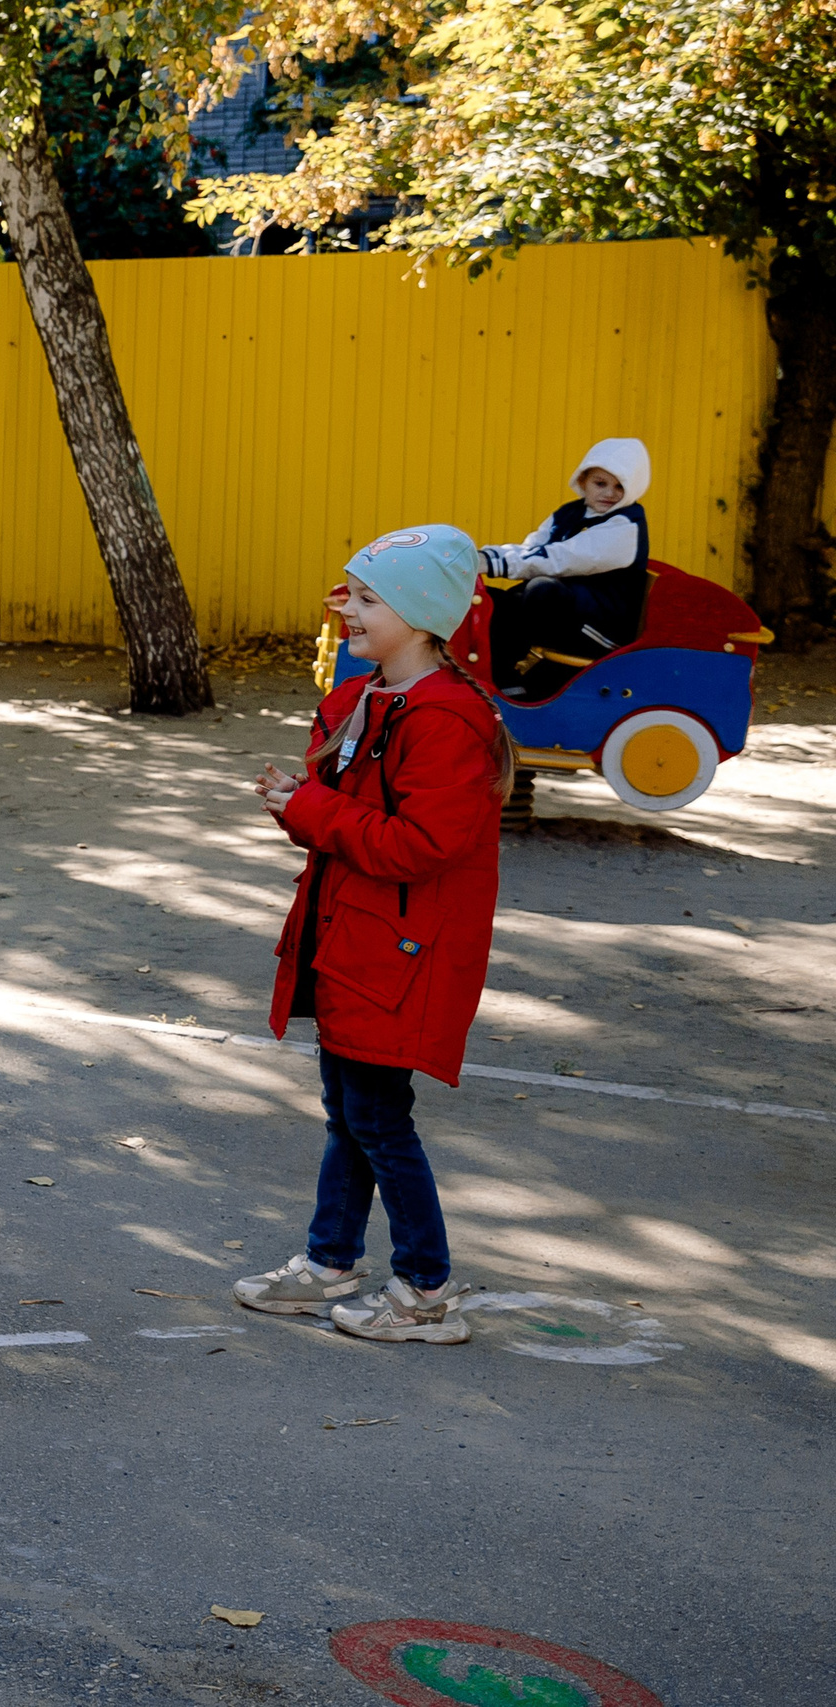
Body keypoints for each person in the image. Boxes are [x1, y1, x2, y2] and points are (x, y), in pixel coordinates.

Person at [243, 526, 513, 1345]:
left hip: (402, 955)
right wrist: (302, 803)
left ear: (423, 614)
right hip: (357, 943)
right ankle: (331, 1260)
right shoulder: (376, 699)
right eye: (350, 593)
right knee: (350, 1111)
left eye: (367, 598)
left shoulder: (446, 720)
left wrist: (313, 808)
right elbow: (353, 823)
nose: (346, 610)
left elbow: (417, 845)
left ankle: (425, 1288)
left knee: (377, 1117)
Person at [480, 437, 653, 696]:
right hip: (572, 614)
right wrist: (485, 557)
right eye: (600, 483)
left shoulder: (626, 526)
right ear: (582, 481)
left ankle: (507, 683)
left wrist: (495, 563)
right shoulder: (569, 513)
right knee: (492, 600)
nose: (609, 493)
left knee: (542, 591)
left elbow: (561, 558)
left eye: (620, 487)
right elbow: (532, 548)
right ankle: (498, 675)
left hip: (603, 628)